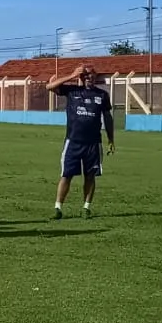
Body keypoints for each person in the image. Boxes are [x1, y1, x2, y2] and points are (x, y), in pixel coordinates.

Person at [46, 64, 115, 219]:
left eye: (91, 74)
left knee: (90, 176)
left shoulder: (102, 95)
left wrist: (111, 139)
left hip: (93, 143)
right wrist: (72, 75)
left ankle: (86, 207)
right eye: (85, 75)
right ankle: (58, 208)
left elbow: (108, 118)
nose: (89, 77)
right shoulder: (72, 91)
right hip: (73, 142)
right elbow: (49, 87)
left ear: (95, 76)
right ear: (81, 77)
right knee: (67, 175)